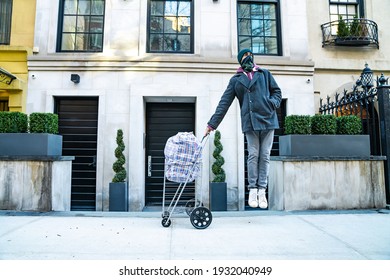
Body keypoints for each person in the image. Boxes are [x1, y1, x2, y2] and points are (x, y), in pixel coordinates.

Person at [204, 49, 282, 209]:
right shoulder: (236, 80)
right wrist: (212, 124)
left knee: (265, 155)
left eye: (250, 56)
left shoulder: (264, 73)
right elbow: (224, 103)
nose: (249, 58)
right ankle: (253, 189)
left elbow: (277, 92)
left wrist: (272, 103)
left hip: (268, 119)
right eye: (245, 57)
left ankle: (262, 190)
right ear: (240, 61)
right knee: (253, 155)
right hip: (250, 122)